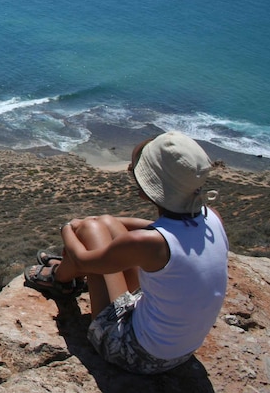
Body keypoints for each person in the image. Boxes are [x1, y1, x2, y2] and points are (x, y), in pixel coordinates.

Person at [23, 131, 229, 374]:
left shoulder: (149, 244)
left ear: (147, 186)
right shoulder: (211, 217)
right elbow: (155, 229)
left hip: (138, 354)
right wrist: (103, 220)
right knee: (105, 224)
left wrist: (68, 227)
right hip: (181, 350)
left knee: (89, 234)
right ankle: (63, 272)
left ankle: (59, 279)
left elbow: (82, 259)